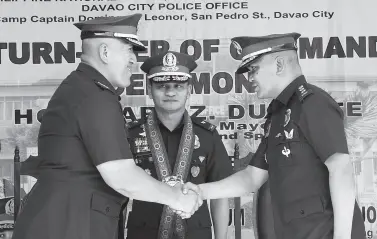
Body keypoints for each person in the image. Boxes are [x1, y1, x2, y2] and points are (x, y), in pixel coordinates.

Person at [12, 14, 202, 239]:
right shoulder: (93, 96)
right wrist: (177, 198)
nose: (133, 60)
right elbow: (121, 175)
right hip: (69, 225)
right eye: (128, 50)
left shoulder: (85, 89)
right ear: (104, 52)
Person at [182, 33, 366, 239]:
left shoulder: (313, 103)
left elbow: (341, 169)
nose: (250, 78)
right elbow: (251, 179)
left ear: (279, 65)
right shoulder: (278, 114)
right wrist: (199, 192)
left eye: (254, 69)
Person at [125, 51, 232, 239]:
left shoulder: (207, 136)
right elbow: (120, 194)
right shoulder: (130, 135)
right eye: (162, 86)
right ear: (149, 89)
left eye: (178, 86)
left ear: (189, 89)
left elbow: (220, 194)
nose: (170, 92)